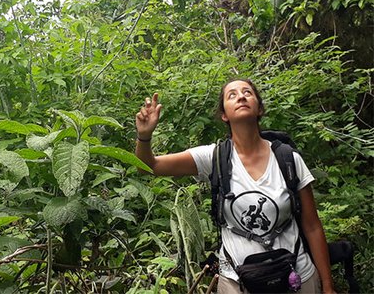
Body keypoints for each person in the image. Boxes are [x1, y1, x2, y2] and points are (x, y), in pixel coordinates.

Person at [132, 79, 336, 294]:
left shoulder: (287, 159)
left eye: (247, 92)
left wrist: (328, 287)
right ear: (224, 115)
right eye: (232, 95)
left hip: (297, 277)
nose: (241, 96)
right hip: (237, 282)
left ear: (259, 108)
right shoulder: (215, 157)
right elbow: (149, 167)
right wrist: (144, 137)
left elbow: (312, 225)